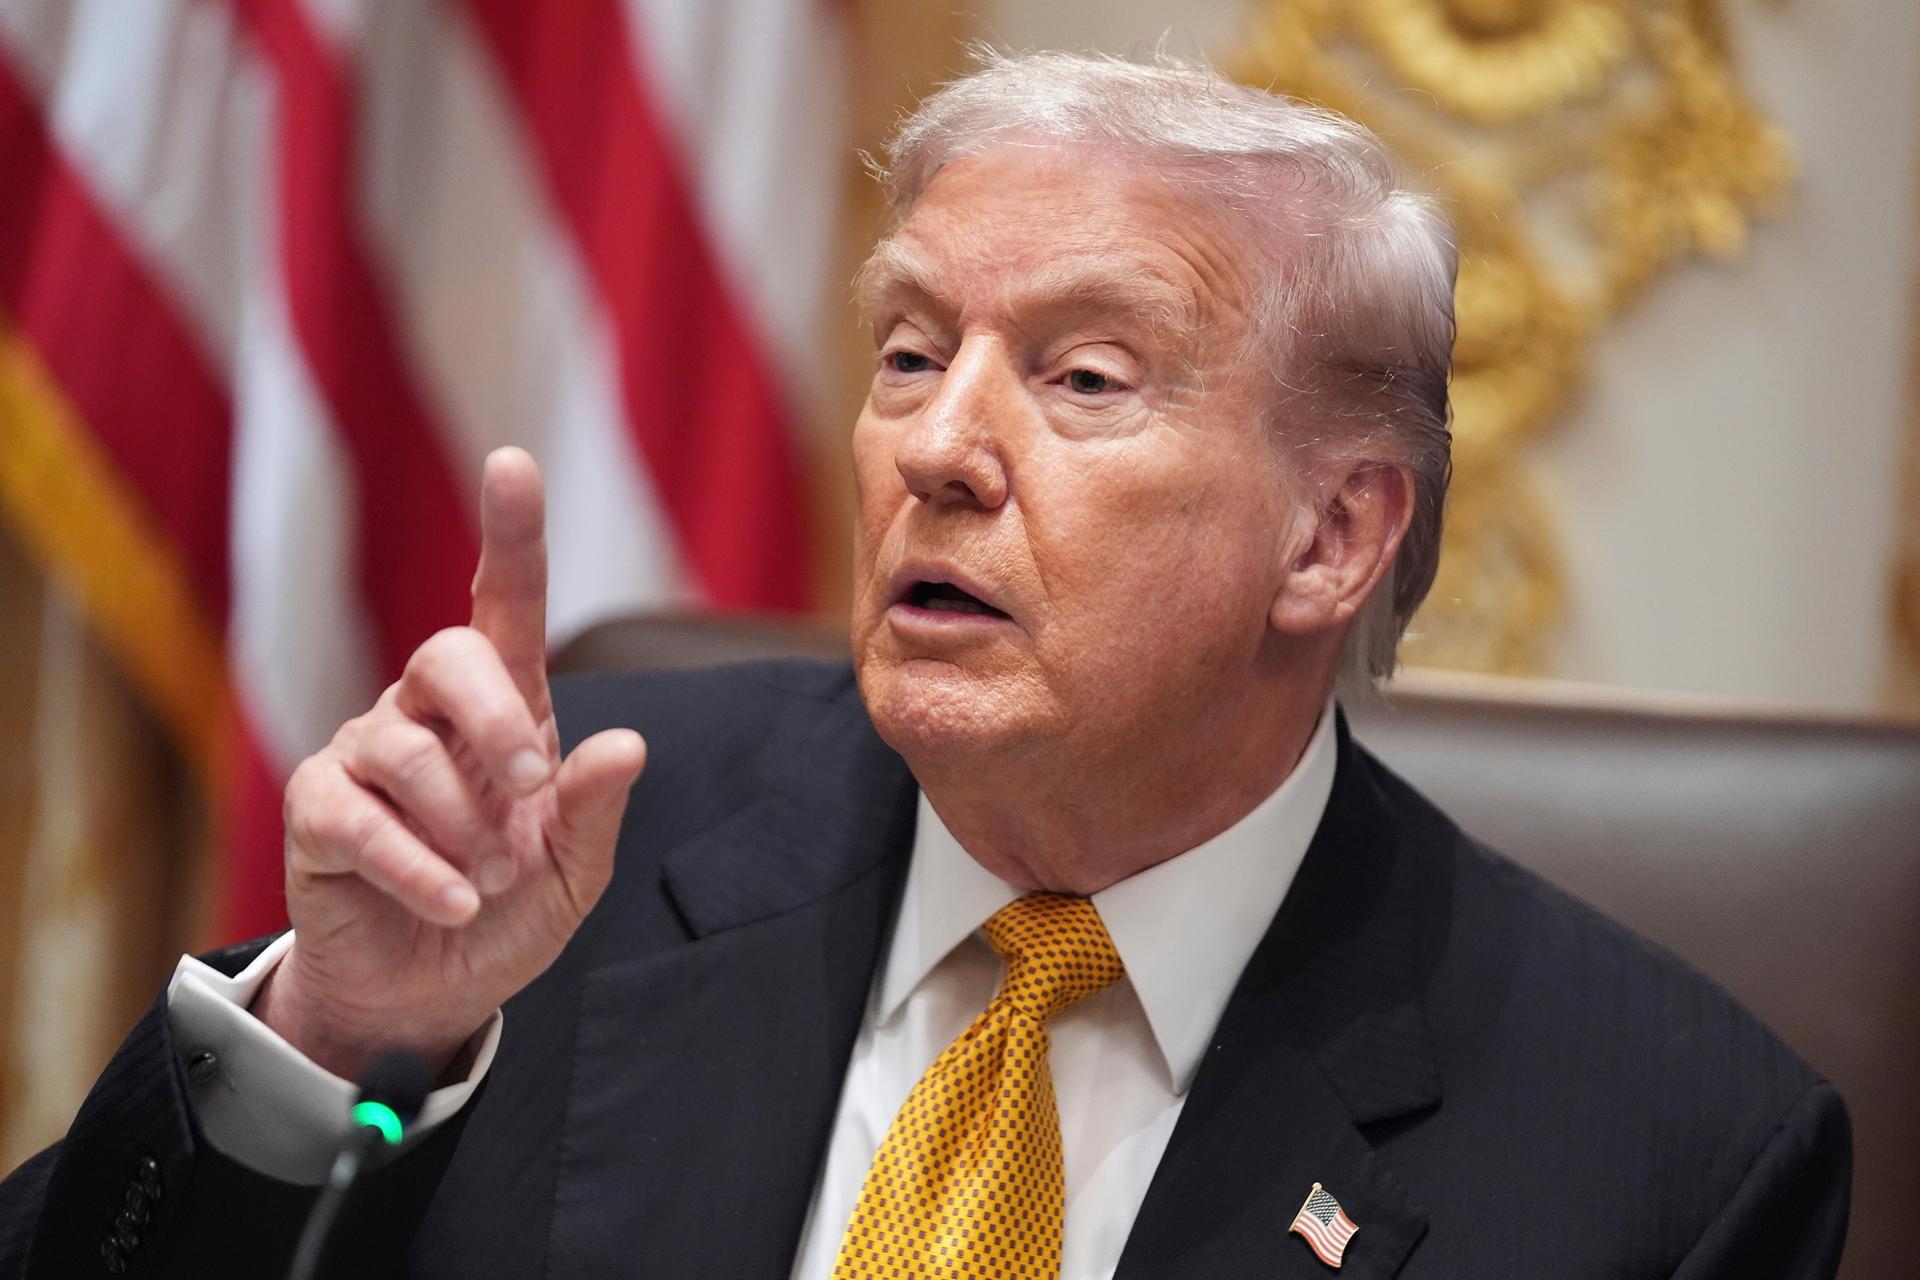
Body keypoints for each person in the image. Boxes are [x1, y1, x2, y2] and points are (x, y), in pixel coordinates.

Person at [1, 51, 1849, 1279]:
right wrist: (341, 1037)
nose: (936, 448)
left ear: (1331, 537)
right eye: (908, 352)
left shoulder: (1672, 1157)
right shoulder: (573, 848)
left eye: (1083, 377)